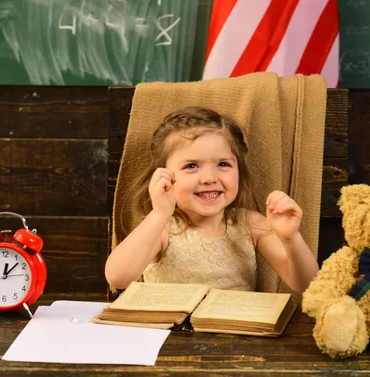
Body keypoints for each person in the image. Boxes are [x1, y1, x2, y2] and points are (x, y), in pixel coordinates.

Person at [105, 106, 318, 293]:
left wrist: (290, 238)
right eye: (191, 166)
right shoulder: (163, 229)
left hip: (236, 334)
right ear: (165, 176)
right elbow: (118, 278)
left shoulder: (250, 224)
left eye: (223, 164)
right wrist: (159, 213)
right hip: (173, 336)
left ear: (239, 170)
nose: (209, 178)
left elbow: (307, 285)